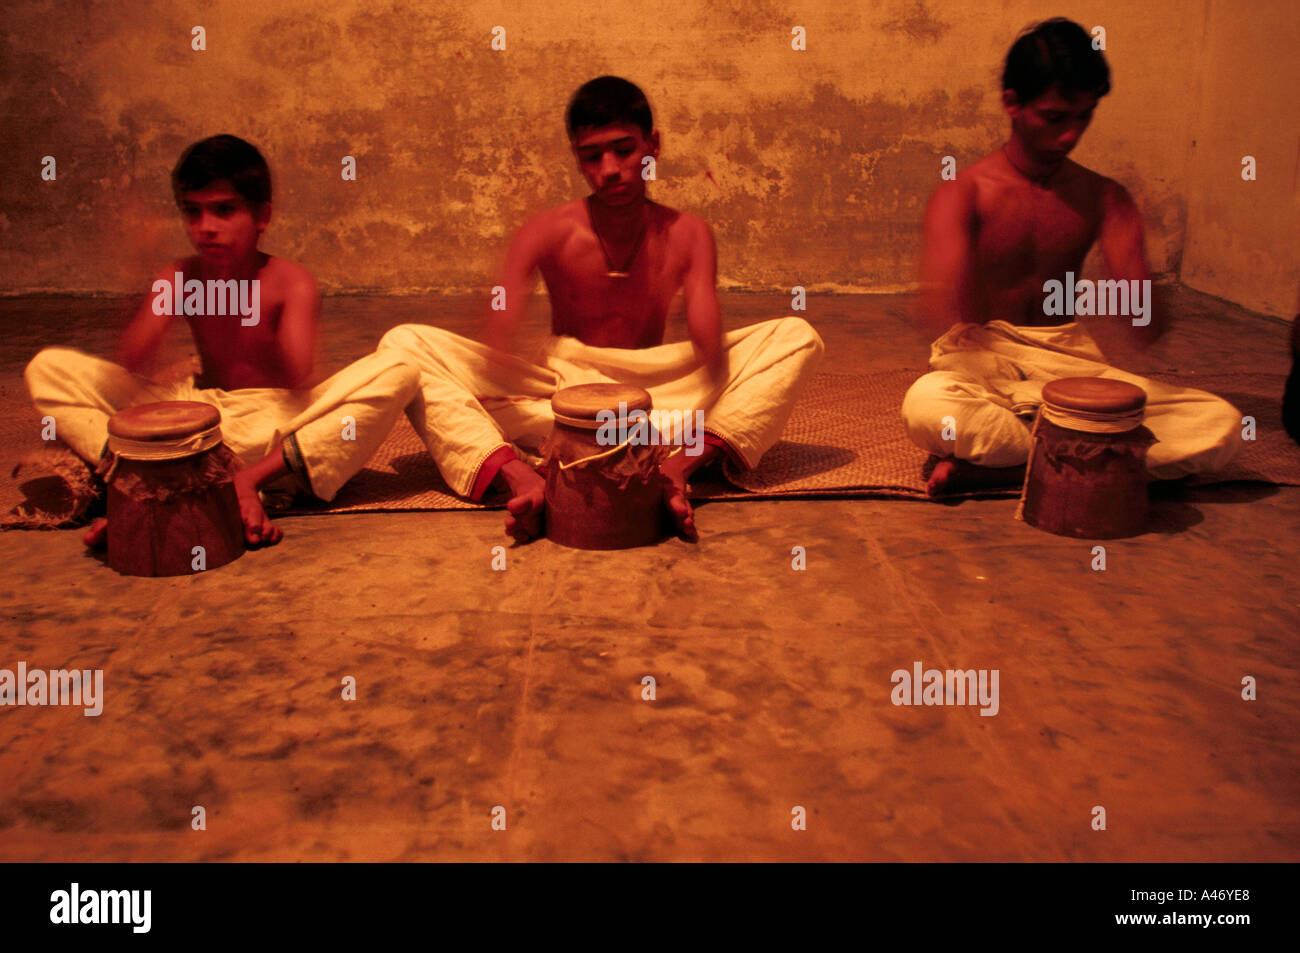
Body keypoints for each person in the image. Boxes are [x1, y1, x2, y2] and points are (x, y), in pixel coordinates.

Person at [379, 76, 823, 541]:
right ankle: (520, 476)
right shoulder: (546, 231)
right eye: (593, 156)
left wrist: (717, 372)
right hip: (560, 401)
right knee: (405, 342)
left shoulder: (688, 232)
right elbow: (497, 332)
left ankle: (675, 469)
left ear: (653, 146)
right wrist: (491, 363)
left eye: (624, 149)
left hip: (659, 402)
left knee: (796, 337)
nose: (609, 168)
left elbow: (706, 338)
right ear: (578, 158)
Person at [24, 134, 420, 545]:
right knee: (50, 368)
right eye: (192, 213)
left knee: (400, 368)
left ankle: (239, 484)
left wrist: (247, 301)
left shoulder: (289, 281)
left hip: (267, 430)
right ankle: (142, 483)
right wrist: (139, 272)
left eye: (223, 211)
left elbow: (298, 375)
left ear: (261, 216)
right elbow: (133, 362)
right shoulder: (180, 275)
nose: (205, 228)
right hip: (195, 423)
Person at [901, 18, 1240, 495]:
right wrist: (961, 267)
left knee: (1218, 422)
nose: (1070, 135)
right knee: (928, 407)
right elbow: (943, 310)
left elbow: (1146, 328)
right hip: (984, 363)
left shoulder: (1102, 196)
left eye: (1084, 117)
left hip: (1070, 366)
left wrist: (1136, 277)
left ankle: (1007, 468)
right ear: (1012, 103)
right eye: (1056, 117)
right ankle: (1093, 459)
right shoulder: (966, 192)